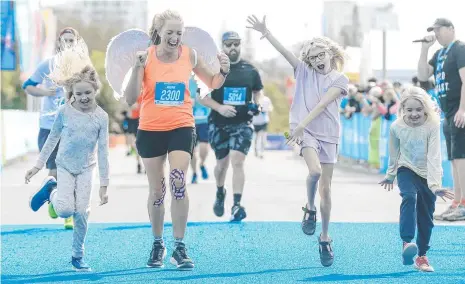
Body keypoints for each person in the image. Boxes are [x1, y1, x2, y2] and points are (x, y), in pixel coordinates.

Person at [124, 10, 230, 270]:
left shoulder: (189, 54)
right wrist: (137, 67)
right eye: (169, 32)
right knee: (158, 191)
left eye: (178, 33)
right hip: (150, 128)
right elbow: (129, 98)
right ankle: (158, 243)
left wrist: (224, 71)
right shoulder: (145, 57)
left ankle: (179, 246)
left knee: (178, 181)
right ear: (158, 32)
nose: (174, 37)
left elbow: (213, 82)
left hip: (181, 125)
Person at [247, 15, 348, 267]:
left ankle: (325, 237)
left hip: (328, 133)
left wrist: (302, 124)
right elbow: (284, 52)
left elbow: (324, 104)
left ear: (329, 52)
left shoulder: (340, 79)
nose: (316, 60)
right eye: (312, 57)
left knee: (327, 188)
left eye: (320, 55)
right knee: (313, 172)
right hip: (306, 133)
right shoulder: (303, 71)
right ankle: (310, 208)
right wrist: (266, 32)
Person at [24, 41, 110, 272]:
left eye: (88, 93)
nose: (83, 97)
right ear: (72, 94)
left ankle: (77, 256)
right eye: (78, 93)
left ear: (95, 91)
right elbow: (51, 140)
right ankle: (51, 189)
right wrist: (37, 166)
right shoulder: (64, 112)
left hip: (87, 169)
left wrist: (104, 184)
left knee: (81, 211)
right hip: (64, 167)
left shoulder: (101, 117)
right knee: (63, 210)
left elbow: (103, 151)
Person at [379, 87, 454, 272]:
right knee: (409, 197)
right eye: (409, 110)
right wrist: (390, 175)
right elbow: (394, 152)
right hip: (406, 169)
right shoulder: (396, 127)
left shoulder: (432, 125)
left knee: (426, 217)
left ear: (425, 109)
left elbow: (434, 156)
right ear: (402, 108)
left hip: (428, 173)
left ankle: (421, 256)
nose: (414, 114)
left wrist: (435, 185)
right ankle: (407, 243)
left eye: (418, 110)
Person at [199, 31, 264, 222]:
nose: (233, 47)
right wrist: (220, 108)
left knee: (237, 160)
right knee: (221, 165)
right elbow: (201, 97)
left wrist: (257, 104)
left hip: (242, 122)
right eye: (229, 44)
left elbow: (257, 91)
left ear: (240, 45)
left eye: (236, 44)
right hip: (219, 124)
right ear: (222, 46)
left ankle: (237, 204)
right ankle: (220, 192)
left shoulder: (250, 70)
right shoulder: (213, 68)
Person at [22, 27, 81, 230]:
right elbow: (27, 86)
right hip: (49, 126)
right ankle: (56, 198)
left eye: (71, 40)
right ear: (58, 42)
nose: (68, 44)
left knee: (71, 171)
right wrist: (45, 92)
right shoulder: (47, 65)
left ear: (77, 42)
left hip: (73, 126)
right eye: (65, 40)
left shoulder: (81, 66)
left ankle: (65, 211)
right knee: (55, 170)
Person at [417, 18, 465, 221]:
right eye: (434, 30)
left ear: (451, 29)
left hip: (458, 110)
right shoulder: (439, 53)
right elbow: (422, 75)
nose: (436, 33)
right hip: (447, 112)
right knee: (455, 159)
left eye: (439, 29)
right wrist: (425, 49)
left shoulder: (459, 49)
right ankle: (457, 201)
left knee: (461, 157)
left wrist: (463, 109)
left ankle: (463, 204)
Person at [189, 74, 211, 184]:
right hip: (190, 121)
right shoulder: (186, 82)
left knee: (204, 148)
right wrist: (188, 101)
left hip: (205, 121)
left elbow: (212, 100)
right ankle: (194, 173)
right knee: (192, 151)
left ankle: (202, 164)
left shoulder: (207, 82)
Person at [252, 93, 273, 158]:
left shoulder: (266, 99)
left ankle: (261, 152)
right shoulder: (253, 99)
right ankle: (256, 150)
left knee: (262, 136)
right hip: (255, 121)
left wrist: (268, 109)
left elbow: (270, 107)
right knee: (256, 137)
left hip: (264, 121)